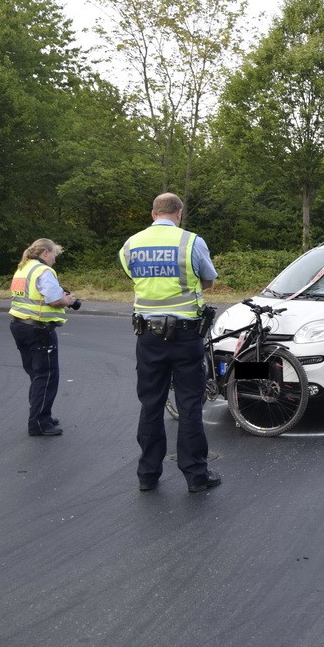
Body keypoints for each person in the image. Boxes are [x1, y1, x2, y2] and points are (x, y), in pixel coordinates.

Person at [119, 193, 221, 493]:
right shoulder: (190, 242)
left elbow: (134, 277)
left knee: (151, 405)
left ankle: (147, 475)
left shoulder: (130, 244)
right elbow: (209, 280)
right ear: (179, 212)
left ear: (153, 213)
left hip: (148, 336)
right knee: (189, 405)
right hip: (186, 335)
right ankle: (196, 477)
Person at [8, 239, 78, 436]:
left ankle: (42, 415)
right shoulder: (43, 271)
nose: (55, 259)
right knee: (46, 376)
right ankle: (39, 423)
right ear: (46, 252)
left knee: (36, 375)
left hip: (19, 325)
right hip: (38, 329)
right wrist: (69, 300)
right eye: (54, 254)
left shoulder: (23, 268)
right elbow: (54, 300)